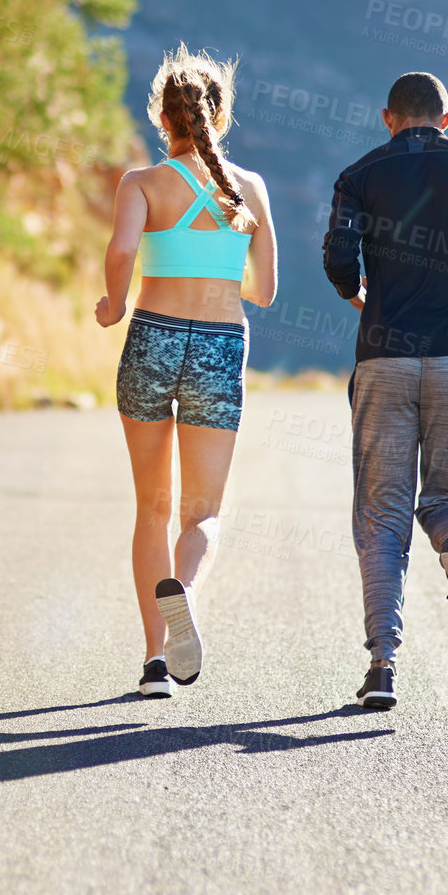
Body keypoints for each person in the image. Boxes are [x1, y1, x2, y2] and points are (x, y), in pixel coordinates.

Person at [322, 71, 448, 710]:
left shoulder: (359, 174)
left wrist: (361, 298)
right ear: (446, 118)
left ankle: (383, 662)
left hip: (384, 356)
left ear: (388, 118)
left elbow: (337, 259)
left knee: (381, 515)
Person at [95, 45, 278, 698]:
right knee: (201, 514)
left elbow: (121, 250)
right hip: (219, 344)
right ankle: (187, 599)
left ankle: (153, 665)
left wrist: (114, 304)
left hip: (151, 337)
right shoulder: (249, 188)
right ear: (218, 115)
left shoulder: (141, 184)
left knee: (151, 507)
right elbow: (266, 291)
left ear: (160, 117)